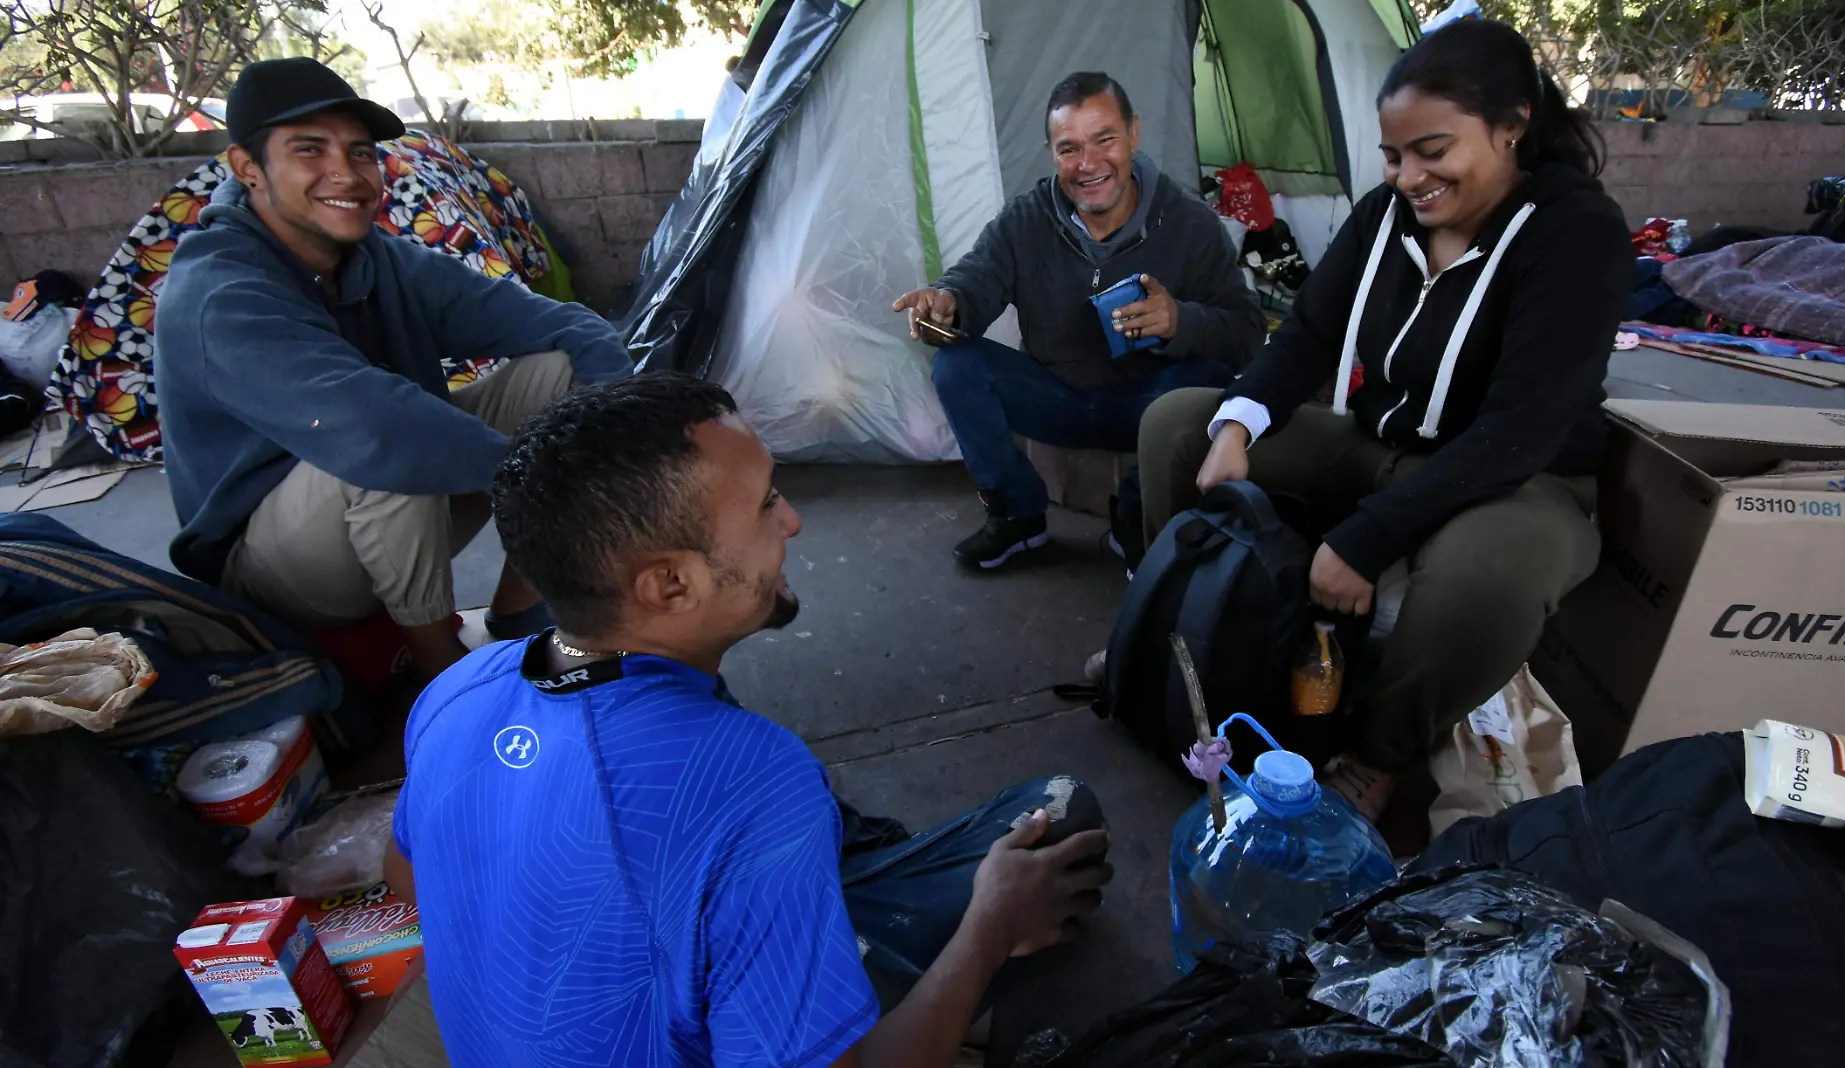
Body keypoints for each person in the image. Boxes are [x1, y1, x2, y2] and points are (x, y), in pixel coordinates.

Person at [382, 372, 1113, 1068]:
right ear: (670, 583)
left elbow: (406, 875)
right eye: (766, 503)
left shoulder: (461, 689)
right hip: (727, 894)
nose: (792, 519)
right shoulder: (752, 782)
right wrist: (992, 926)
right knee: (1058, 817)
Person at [1133, 20, 1634, 817]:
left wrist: (1367, 538)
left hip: (1517, 476)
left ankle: (1378, 753)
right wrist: (1238, 427)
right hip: (1379, 443)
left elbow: (1520, 429)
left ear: (1512, 128)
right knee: (1177, 425)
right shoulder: (1385, 217)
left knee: (1490, 579)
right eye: (1395, 155)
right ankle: (1171, 636)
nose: (1409, 177)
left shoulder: (1577, 235)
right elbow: (1304, 337)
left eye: (1434, 152)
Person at [155, 57, 631, 683]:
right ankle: (439, 667)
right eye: (309, 150)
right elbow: (372, 426)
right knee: (382, 439)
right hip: (275, 565)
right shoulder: (219, 294)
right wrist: (540, 485)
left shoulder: (382, 261)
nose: (344, 175)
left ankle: (525, 602)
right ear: (248, 168)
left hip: (397, 506)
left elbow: (569, 325)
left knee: (560, 369)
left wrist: (628, 441)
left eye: (358, 153)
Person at [893, 71, 1263, 569]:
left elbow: (1246, 330)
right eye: (1069, 148)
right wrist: (948, 300)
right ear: (1052, 153)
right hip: (1055, 395)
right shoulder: (1027, 218)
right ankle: (1018, 516)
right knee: (956, 366)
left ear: (1133, 134)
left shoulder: (1189, 223)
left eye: (1104, 140)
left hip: (1146, 409)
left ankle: (1135, 516)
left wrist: (1181, 321)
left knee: (1212, 381)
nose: (1088, 165)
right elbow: (979, 274)